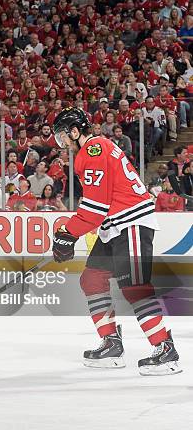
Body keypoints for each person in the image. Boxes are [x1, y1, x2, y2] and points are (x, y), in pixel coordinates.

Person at [51, 107, 181, 375]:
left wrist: (68, 233)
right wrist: (69, 234)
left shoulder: (93, 150)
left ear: (75, 132)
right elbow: (98, 205)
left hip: (130, 223)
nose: (63, 142)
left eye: (64, 136)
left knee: (134, 286)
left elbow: (96, 207)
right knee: (91, 279)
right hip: (115, 226)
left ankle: (165, 349)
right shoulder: (95, 149)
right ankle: (111, 343)